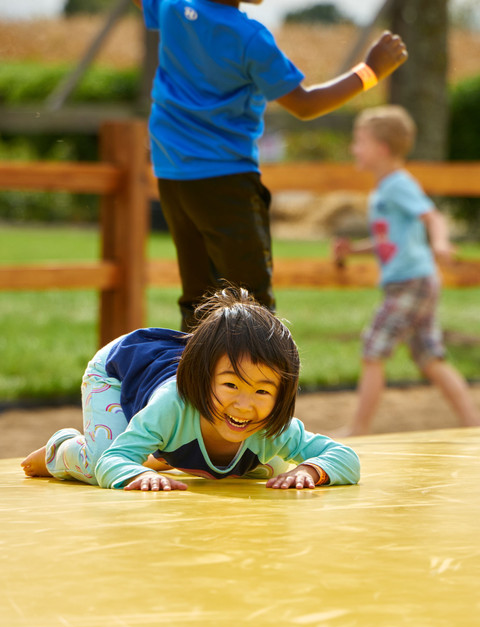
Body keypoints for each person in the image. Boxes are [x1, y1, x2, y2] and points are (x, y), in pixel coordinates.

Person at [131, 0, 408, 331]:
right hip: (226, 181)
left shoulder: (173, 7)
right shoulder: (250, 38)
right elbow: (305, 104)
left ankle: (197, 381)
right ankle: (258, 381)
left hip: (173, 177)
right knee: (253, 305)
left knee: (198, 299)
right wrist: (370, 71)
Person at [22, 287, 360, 490]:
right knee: (98, 462)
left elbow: (345, 458)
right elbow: (114, 459)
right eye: (231, 385)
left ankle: (158, 454)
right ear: (202, 381)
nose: (244, 405)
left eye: (261, 392)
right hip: (119, 368)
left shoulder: (273, 428)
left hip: (181, 384)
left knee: (270, 467)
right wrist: (134, 475)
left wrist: (310, 469)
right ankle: (61, 449)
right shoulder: (171, 407)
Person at [333, 105, 480, 436]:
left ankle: (357, 429)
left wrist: (440, 243)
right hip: (415, 281)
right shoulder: (384, 189)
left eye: (360, 141)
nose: (354, 148)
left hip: (411, 282)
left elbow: (433, 217)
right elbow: (389, 239)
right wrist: (354, 250)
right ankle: (474, 426)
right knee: (430, 358)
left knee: (373, 347)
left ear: (381, 149)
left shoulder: (398, 184)